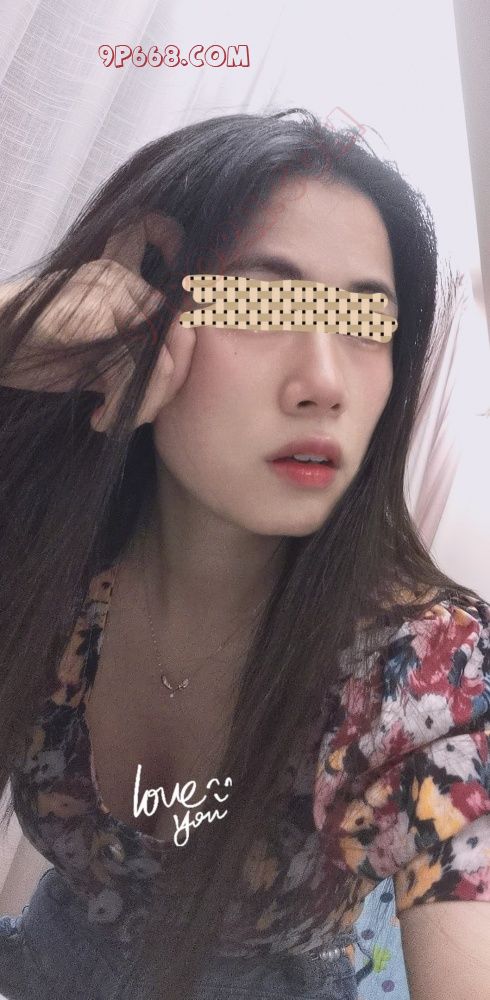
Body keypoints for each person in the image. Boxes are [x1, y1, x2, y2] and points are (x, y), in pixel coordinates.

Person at [0, 108, 488, 1000]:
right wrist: (11, 332)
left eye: (366, 325)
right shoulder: (47, 561)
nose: (325, 384)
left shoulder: (427, 673)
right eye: (264, 304)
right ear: (142, 313)